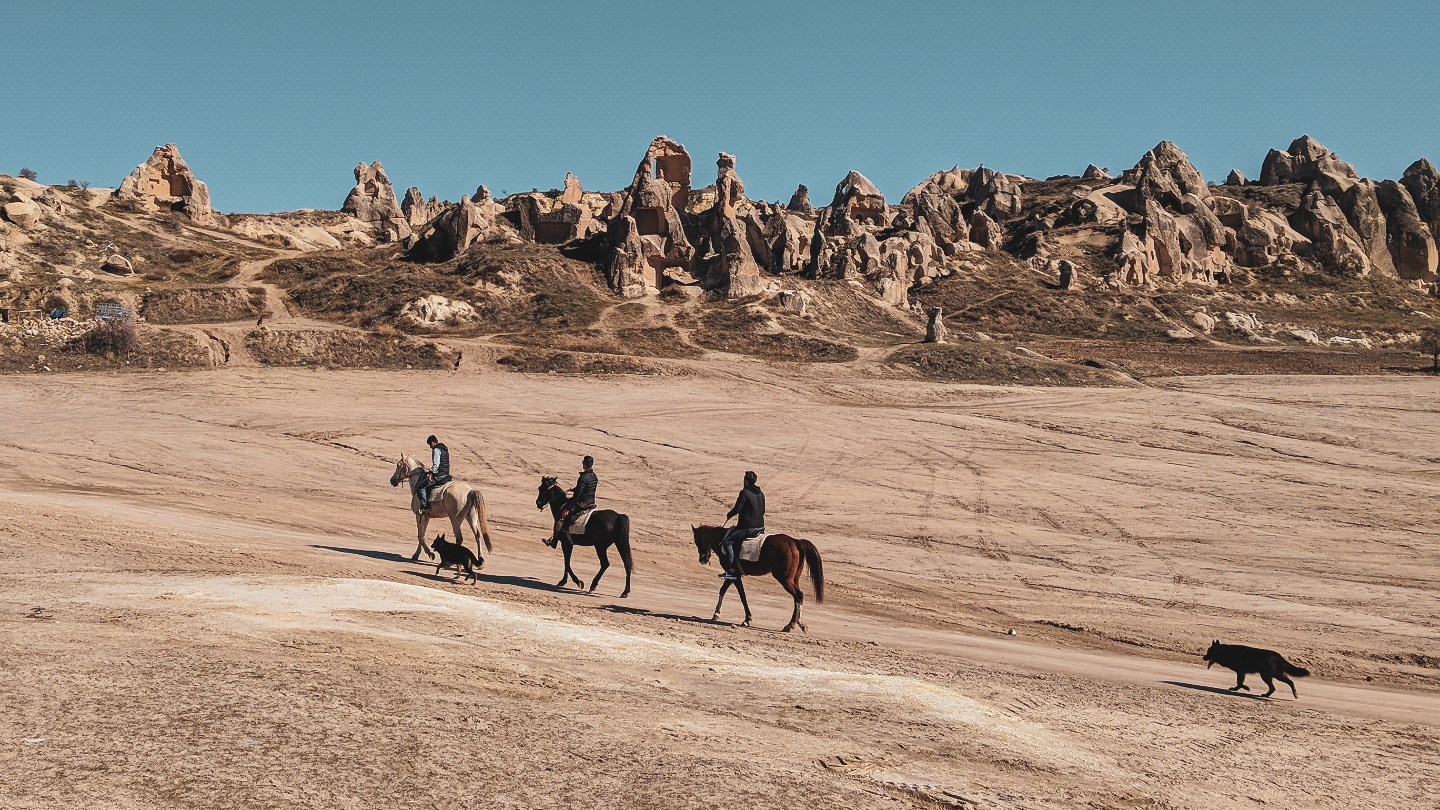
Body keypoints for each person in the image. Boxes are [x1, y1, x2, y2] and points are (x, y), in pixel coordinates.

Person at [720, 471, 765, 580]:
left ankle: (731, 569)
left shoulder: (744, 492)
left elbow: (737, 509)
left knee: (727, 542)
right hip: (761, 527)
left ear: (746, 481)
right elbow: (763, 510)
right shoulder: (760, 493)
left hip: (748, 528)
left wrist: (729, 515)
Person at [552, 456, 598, 545]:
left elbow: (577, 496)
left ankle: (555, 540)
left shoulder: (583, 477)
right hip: (591, 502)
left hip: (582, 503)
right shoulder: (594, 476)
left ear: (584, 464)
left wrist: (567, 508)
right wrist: (574, 489)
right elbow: (586, 488)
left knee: (561, 516)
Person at [416, 435, 451, 514]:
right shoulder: (444, 450)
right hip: (446, 474)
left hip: (439, 475)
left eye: (430, 445)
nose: (430, 447)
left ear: (433, 443)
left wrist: (431, 473)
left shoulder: (436, 450)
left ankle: (425, 507)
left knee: (421, 488)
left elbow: (436, 465)